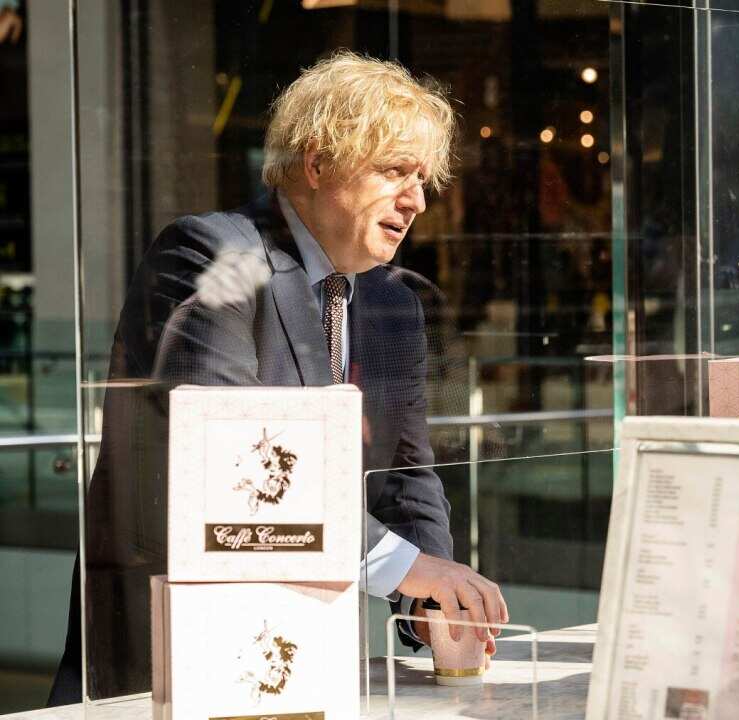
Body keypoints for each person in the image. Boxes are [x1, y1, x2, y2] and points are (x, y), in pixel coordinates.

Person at [49, 51, 506, 703]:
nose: (417, 200)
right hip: (170, 670)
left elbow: (405, 473)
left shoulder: (391, 304)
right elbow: (225, 465)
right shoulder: (213, 256)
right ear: (319, 164)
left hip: (301, 665)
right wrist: (407, 566)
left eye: (423, 179)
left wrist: (431, 602)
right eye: (394, 171)